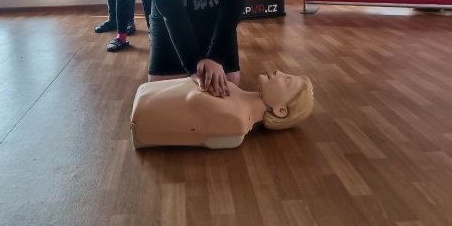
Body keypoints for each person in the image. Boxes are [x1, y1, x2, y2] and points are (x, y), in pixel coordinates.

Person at [130, 71, 315, 149]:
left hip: (145, 112)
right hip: (146, 99)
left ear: (280, 111)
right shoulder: (235, 92)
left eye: (287, 80)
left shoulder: (236, 120)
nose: (279, 72)